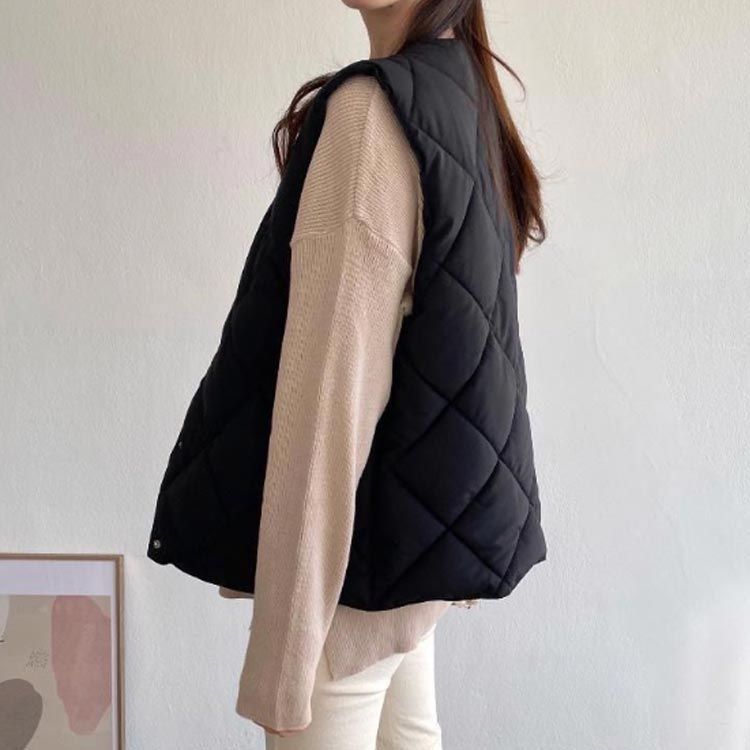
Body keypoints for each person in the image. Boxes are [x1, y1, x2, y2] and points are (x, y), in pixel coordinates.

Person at [146, 1, 547, 747]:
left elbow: (326, 406)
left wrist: (284, 657)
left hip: (345, 589)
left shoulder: (371, 115)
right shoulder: (462, 90)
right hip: (404, 575)